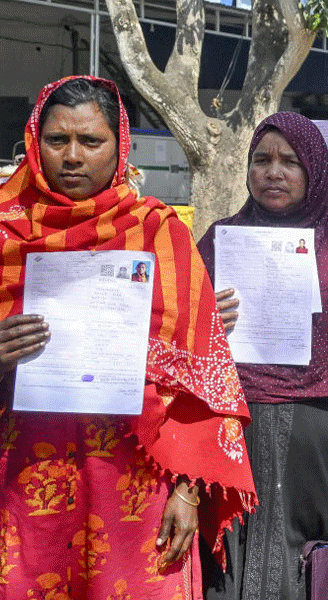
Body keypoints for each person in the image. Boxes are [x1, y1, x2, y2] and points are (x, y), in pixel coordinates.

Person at [0, 76, 256, 598]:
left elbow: (202, 375)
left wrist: (187, 489)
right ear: (33, 143)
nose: (72, 157)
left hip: (137, 482)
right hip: (24, 481)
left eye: (91, 142)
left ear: (119, 147)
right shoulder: (5, 231)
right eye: (57, 141)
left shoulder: (162, 235)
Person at [198, 112, 328, 600]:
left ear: (313, 172)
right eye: (261, 160)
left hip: (320, 449)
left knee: (316, 566)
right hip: (231, 437)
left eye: (290, 161)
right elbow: (182, 345)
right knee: (227, 564)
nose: (274, 172)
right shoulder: (216, 245)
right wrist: (208, 319)